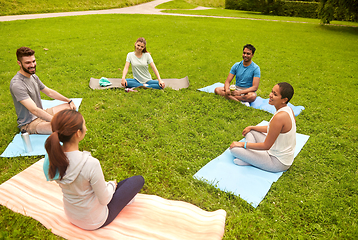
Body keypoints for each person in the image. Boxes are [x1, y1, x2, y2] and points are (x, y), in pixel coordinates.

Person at [43, 109, 145, 230]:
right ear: (78, 133)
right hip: (95, 221)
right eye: (84, 125)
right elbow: (105, 199)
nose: (86, 128)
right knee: (138, 180)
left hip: (71, 216)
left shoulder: (52, 158)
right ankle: (121, 194)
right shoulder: (90, 163)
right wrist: (112, 185)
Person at [229, 82, 296, 172]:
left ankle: (250, 159)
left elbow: (266, 146)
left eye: (275, 94)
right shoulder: (287, 109)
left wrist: (242, 144)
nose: (270, 95)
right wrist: (252, 127)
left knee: (234, 149)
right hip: (274, 150)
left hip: (278, 162)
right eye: (272, 92)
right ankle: (252, 159)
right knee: (251, 131)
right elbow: (271, 129)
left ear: (284, 99)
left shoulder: (280, 117)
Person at [10, 47, 76, 135]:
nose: (32, 65)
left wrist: (68, 100)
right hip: (30, 123)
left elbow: (49, 92)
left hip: (42, 113)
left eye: (33, 61)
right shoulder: (17, 84)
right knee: (63, 128)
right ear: (19, 63)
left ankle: (52, 119)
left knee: (70, 107)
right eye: (28, 63)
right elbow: (34, 110)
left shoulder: (33, 76)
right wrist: (55, 121)